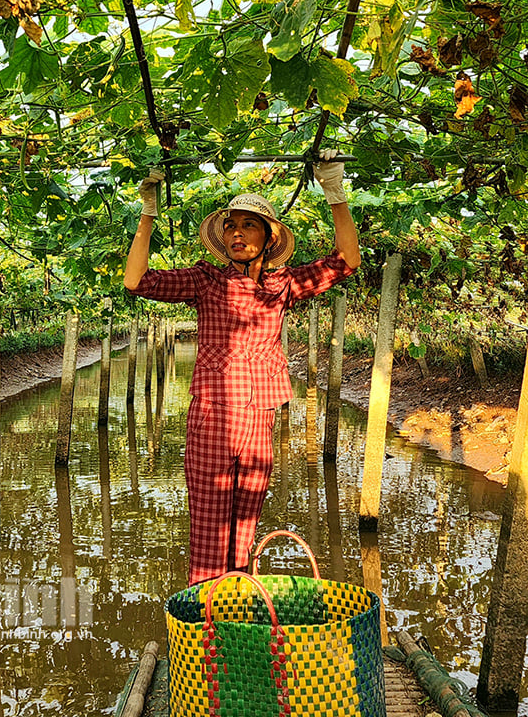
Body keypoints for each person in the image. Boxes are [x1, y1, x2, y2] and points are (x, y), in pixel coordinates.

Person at [123, 151, 360, 586]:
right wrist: (148, 213)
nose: (237, 233)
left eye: (248, 224)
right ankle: (204, 616)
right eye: (230, 225)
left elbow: (347, 260)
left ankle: (236, 608)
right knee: (210, 527)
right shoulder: (205, 280)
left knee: (245, 524)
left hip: (259, 414)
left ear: (269, 237)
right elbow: (136, 281)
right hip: (213, 413)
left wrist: (334, 190)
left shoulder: (283, 284)